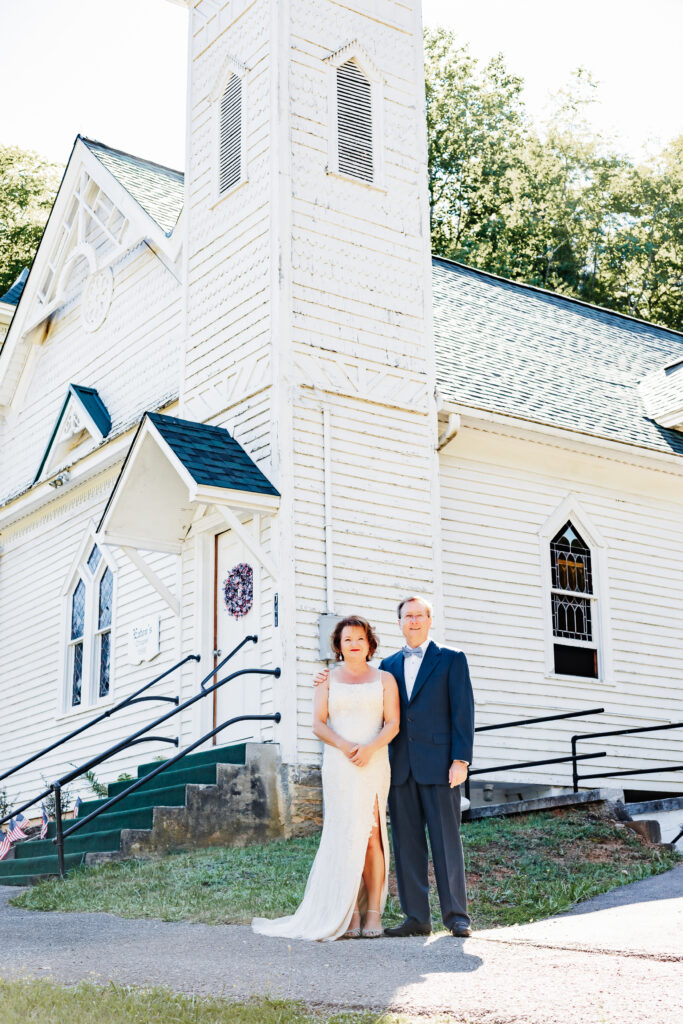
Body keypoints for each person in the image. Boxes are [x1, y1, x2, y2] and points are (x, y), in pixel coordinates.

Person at [314, 595, 475, 938]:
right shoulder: (387, 667)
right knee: (405, 843)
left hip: (441, 765)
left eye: (419, 616)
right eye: (407, 616)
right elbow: (364, 692)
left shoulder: (451, 659)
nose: (413, 621)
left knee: (446, 841)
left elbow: (464, 712)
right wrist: (323, 681)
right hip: (398, 767)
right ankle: (416, 916)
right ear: (399, 622)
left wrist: (460, 760)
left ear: (430, 620)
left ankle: (457, 916)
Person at [252, 615, 400, 941]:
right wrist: (347, 746)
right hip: (339, 763)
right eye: (347, 639)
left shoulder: (386, 679)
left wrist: (369, 748)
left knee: (372, 836)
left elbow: (392, 724)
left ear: (369, 643)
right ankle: (347, 911)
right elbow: (318, 724)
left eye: (359, 638)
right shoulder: (326, 679)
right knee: (344, 835)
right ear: (339, 645)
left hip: (374, 763)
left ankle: (372, 911)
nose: (354, 644)